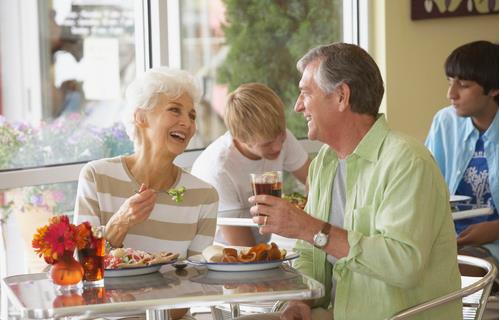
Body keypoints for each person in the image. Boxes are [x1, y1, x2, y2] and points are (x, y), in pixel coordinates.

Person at [244, 43, 462, 320]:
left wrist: (309, 228)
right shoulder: (325, 161)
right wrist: (301, 303)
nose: (298, 106)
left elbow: (403, 264)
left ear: (341, 96)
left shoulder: (407, 161)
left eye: (306, 93)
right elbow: (310, 253)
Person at [74, 67, 218, 320]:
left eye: (192, 115)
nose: (187, 122)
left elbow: (195, 284)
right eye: (175, 110)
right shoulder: (97, 177)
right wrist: (121, 222)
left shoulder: (203, 196)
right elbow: (83, 270)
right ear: (141, 117)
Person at [191, 82, 310, 246]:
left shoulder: (280, 137)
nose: (278, 147)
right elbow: (243, 249)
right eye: (267, 144)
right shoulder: (218, 169)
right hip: (222, 253)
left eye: (281, 135)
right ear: (240, 138)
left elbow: (315, 179)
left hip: (261, 243)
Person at [425, 40, 499, 275]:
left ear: (494, 89)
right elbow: (425, 185)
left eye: (464, 85)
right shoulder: (445, 122)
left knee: (443, 270)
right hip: (447, 240)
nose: (451, 94)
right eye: (450, 83)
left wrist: (496, 229)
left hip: (490, 246)